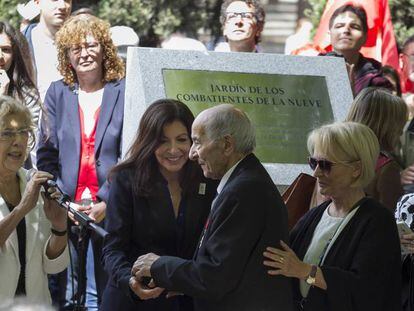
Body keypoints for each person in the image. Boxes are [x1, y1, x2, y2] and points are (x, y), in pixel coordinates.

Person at [131, 104, 293, 311]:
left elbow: (215, 277)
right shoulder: (244, 181)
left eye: (197, 142)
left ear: (227, 145)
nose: (191, 154)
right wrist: (179, 281)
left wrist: (157, 265)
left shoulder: (243, 191)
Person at [36, 15, 125, 310]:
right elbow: (46, 154)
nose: (84, 53)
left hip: (111, 209)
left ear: (104, 50)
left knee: (105, 290)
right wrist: (61, 202)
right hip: (66, 208)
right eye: (75, 48)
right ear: (67, 55)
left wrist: (107, 202)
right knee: (67, 292)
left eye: (90, 45)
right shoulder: (56, 92)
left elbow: (131, 153)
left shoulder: (122, 90)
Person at [263, 121, 401, 311]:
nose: (316, 172)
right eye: (313, 162)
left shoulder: (377, 221)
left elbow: (367, 289)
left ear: (356, 169)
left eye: (326, 165)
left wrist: (304, 270)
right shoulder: (316, 214)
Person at [101, 99, 217, 311]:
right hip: (132, 300)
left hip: (185, 301)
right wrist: (128, 280)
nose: (173, 150)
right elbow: (113, 248)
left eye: (182, 140)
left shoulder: (208, 179)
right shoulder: (126, 179)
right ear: (149, 142)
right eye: (163, 141)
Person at [0, 95, 68, 303]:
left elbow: (52, 265)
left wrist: (59, 227)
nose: (18, 141)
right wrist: (21, 209)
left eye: (23, 132)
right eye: (7, 133)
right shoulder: (30, 196)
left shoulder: (33, 184)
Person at [346, 87, 406, 211]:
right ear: (384, 126)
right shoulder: (386, 169)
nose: (400, 132)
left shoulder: (330, 156)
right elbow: (391, 221)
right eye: (399, 125)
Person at [321, 4, 391, 95]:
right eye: (339, 26)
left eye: (354, 27)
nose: (346, 31)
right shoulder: (311, 68)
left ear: (365, 37)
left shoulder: (379, 78)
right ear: (329, 34)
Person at [23, 0, 72, 101]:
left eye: (67, 0)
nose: (62, 6)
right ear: (37, 2)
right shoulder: (18, 45)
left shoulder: (81, 44)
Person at [0, 21, 41, 127]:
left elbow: (30, 140)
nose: (0, 56)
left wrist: (3, 99)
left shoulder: (27, 94)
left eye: (6, 50)